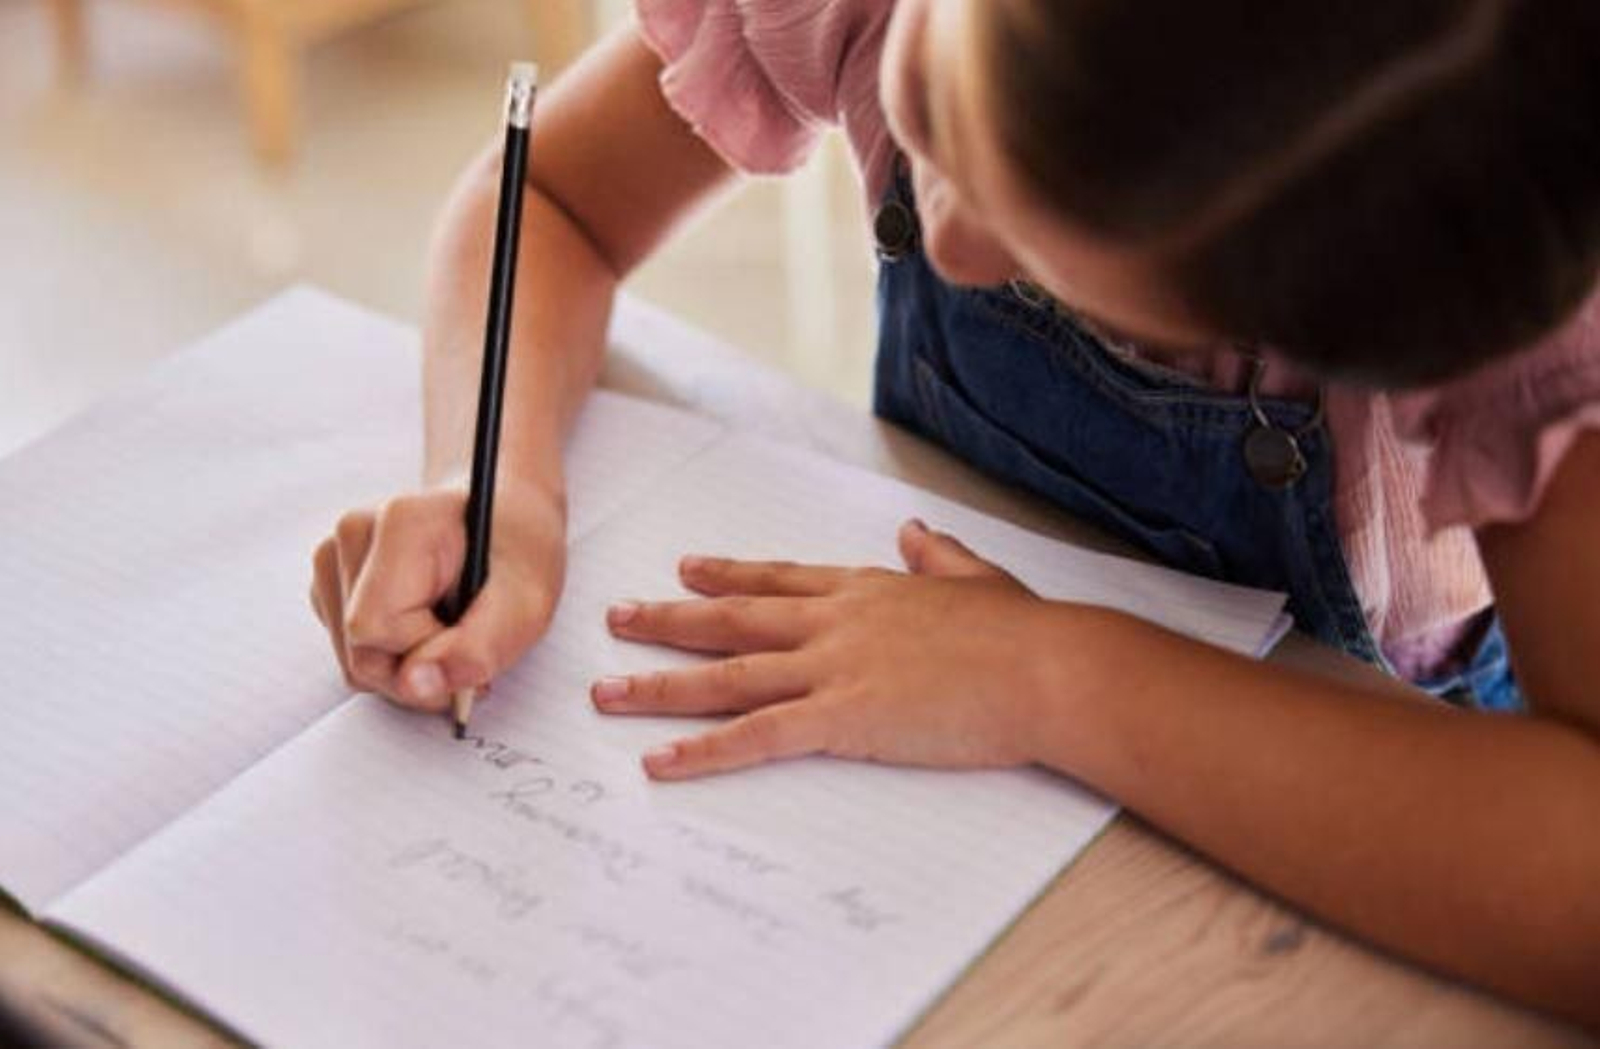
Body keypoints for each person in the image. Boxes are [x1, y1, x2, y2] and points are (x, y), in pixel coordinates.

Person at [308, 0, 1600, 1026]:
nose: (955, 245)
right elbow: (550, 196)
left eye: (1069, 274)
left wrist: (1059, 676)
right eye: (929, 112)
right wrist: (503, 488)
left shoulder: (1516, 305)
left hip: (1359, 807)